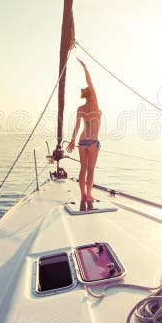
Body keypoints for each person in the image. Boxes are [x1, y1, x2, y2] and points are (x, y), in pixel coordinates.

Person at [67, 57, 101, 211]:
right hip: (93, 143)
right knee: (91, 170)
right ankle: (88, 195)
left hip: (82, 142)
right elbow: (90, 81)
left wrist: (72, 141)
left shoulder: (80, 109)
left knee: (82, 170)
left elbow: (76, 126)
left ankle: (82, 196)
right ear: (91, 95)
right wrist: (85, 67)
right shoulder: (95, 104)